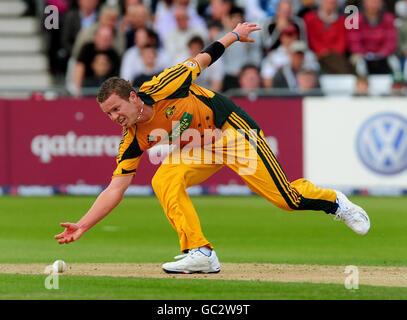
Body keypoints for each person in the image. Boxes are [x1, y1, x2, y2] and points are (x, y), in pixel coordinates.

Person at [55, 22, 370, 274]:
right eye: (108, 114)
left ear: (133, 96)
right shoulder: (132, 138)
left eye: (115, 109)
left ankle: (336, 203)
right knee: (163, 180)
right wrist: (83, 224)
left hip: (233, 133)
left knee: (285, 199)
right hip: (199, 147)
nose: (114, 118)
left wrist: (234, 34)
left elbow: (204, 58)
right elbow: (115, 188)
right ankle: (201, 252)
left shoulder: (166, 85)